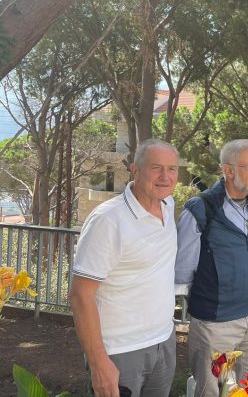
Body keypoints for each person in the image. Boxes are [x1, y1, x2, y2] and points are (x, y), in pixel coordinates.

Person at [70, 139, 180, 397]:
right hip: (119, 351)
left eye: (172, 169)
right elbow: (80, 295)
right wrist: (98, 363)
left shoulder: (168, 205)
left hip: (163, 341)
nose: (165, 177)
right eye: (156, 167)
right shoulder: (108, 220)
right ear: (135, 170)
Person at [175, 139, 248, 397]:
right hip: (216, 324)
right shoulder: (200, 209)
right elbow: (182, 271)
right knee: (213, 392)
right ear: (228, 170)